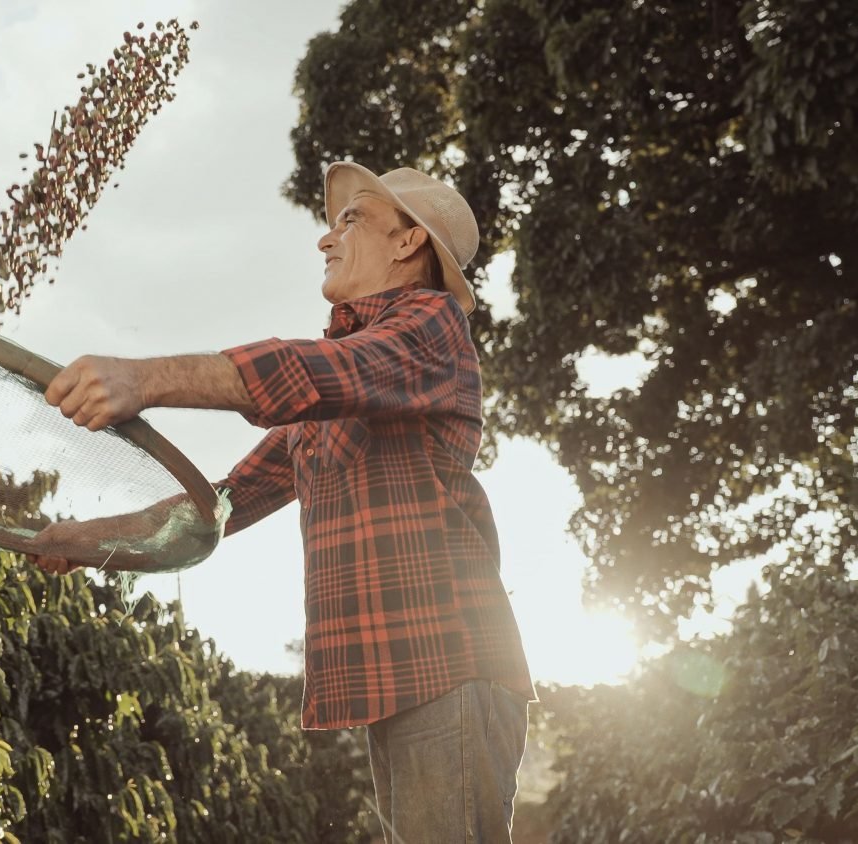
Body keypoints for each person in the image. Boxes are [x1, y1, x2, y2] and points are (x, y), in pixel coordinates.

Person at [31, 162, 536, 842]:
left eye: (350, 219)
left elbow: (319, 372)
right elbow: (218, 506)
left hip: (447, 662)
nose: (325, 240)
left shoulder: (431, 325)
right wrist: (91, 540)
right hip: (400, 678)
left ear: (407, 242)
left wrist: (142, 378)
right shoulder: (341, 395)